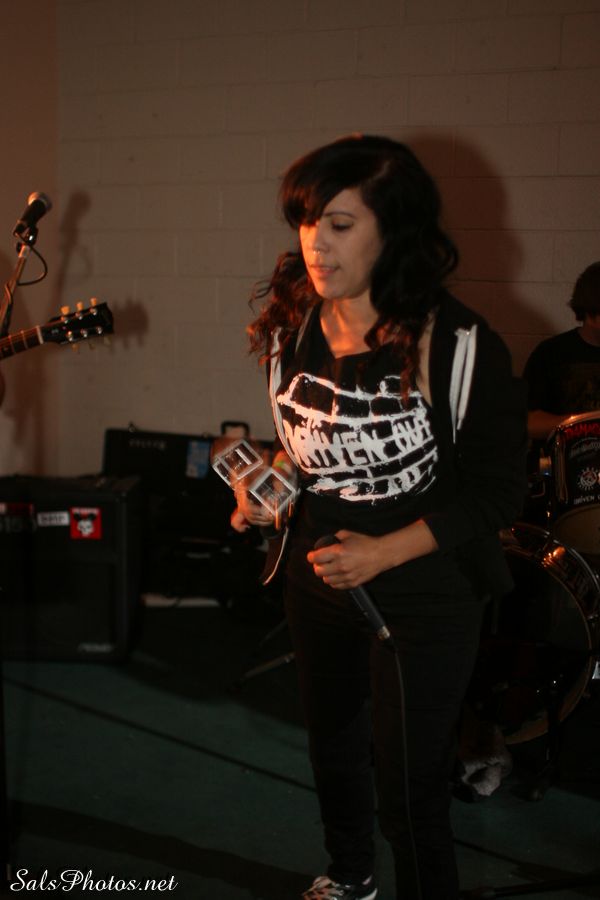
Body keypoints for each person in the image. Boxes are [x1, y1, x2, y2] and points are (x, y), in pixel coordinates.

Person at [231, 135, 527, 900]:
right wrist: (267, 487)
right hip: (317, 576)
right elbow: (305, 442)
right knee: (332, 749)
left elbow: (499, 493)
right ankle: (350, 874)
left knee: (409, 783)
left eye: (339, 224)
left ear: (393, 229)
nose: (315, 243)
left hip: (426, 590)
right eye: (306, 222)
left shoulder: (459, 344)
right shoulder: (293, 324)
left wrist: (383, 552)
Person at [523, 261, 600, 442]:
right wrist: (584, 422)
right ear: (590, 312)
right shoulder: (551, 353)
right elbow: (528, 423)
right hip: (566, 456)